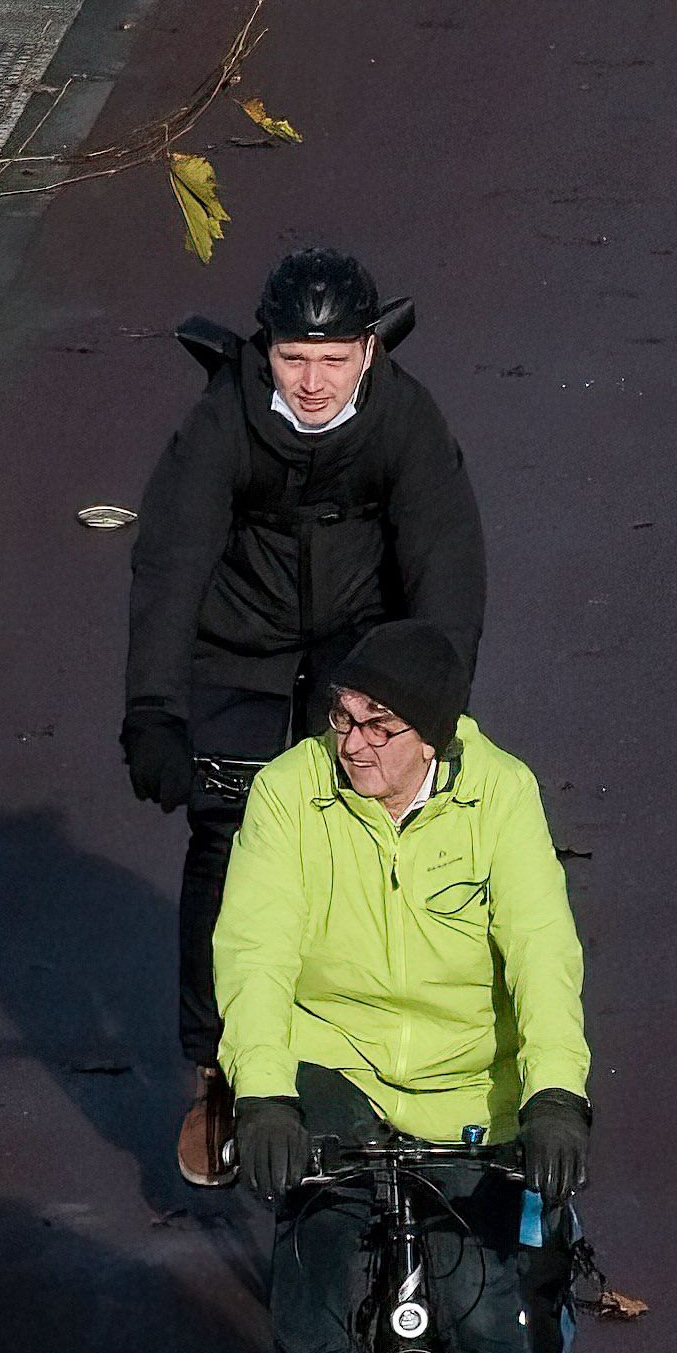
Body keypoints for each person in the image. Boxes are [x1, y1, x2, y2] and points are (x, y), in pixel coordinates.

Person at [210, 620, 589, 1353]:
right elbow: (253, 944)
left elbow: (540, 950)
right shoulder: (291, 792)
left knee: (489, 1317)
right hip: (333, 1057)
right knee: (320, 1208)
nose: (352, 743)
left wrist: (557, 1091)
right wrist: (265, 1093)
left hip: (471, 1085)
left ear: (436, 733)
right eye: (342, 718)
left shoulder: (499, 794)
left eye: (378, 725)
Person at [118, 243, 485, 1189]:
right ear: (266, 351)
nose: (313, 382)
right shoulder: (221, 423)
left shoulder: (404, 417)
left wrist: (433, 708)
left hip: (356, 641)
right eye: (292, 359)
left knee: (355, 820)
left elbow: (449, 565)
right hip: (236, 642)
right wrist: (155, 711)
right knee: (226, 830)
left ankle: (346, 1038)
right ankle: (217, 1069)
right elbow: (169, 564)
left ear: (368, 348)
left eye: (332, 359)